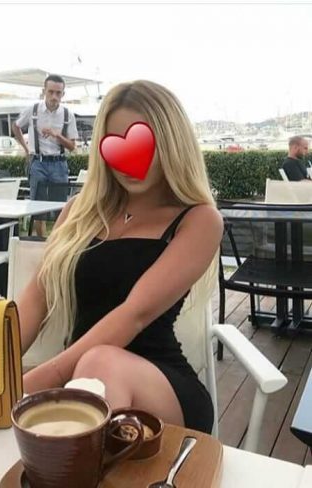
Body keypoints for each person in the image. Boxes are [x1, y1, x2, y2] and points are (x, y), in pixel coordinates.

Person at [17, 80, 223, 433]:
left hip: (159, 386)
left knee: (100, 363)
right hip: (81, 381)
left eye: (145, 143)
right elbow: (37, 295)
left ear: (172, 144)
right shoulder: (79, 212)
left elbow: (134, 315)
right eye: (115, 143)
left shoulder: (199, 219)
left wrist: (33, 383)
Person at [12, 74, 78, 237]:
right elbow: (16, 126)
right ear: (44, 91)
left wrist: (57, 135)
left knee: (60, 209)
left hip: (59, 164)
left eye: (58, 93)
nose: (54, 96)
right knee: (38, 210)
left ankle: (57, 243)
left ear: (63, 94)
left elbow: (72, 146)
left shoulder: (67, 115)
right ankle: (41, 244)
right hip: (38, 163)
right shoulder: (33, 110)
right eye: (51, 92)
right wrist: (26, 148)